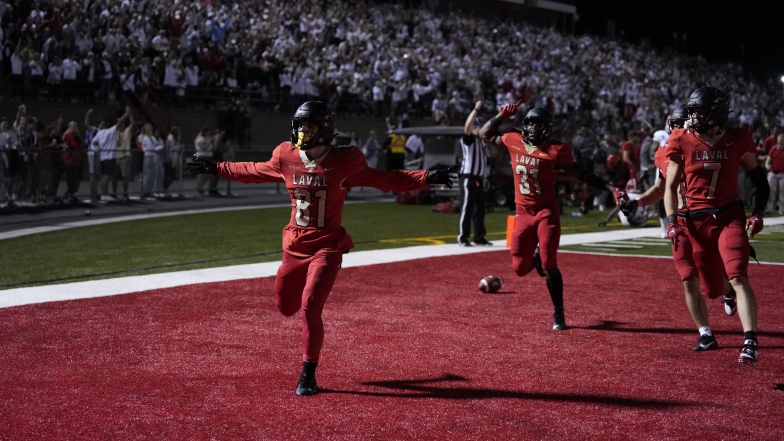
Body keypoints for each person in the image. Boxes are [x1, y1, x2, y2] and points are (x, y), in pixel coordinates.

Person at [187, 101, 456, 396]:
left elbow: (386, 179)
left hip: (327, 245)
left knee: (311, 305)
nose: (303, 131)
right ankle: (306, 362)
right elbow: (252, 170)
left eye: (310, 126)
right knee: (285, 306)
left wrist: (426, 177)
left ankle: (307, 374)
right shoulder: (285, 155)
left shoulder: (345, 160)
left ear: (325, 130)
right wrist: (216, 167)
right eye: (301, 125)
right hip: (294, 247)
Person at [480, 102, 626, 330]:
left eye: (540, 125)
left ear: (547, 129)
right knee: (519, 269)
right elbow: (484, 134)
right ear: (525, 125)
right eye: (531, 124)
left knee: (550, 263)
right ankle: (535, 258)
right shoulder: (512, 139)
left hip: (546, 211)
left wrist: (611, 189)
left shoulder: (557, 149)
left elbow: (581, 174)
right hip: (522, 212)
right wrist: (501, 115)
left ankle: (559, 313)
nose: (534, 129)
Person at [663, 86, 770, 365]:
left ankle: (750, 341)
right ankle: (727, 296)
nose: (694, 116)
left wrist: (757, 213)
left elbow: (760, 181)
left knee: (738, 275)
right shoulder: (681, 139)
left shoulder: (738, 139)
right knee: (711, 288)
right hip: (694, 222)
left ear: (717, 112)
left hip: (728, 215)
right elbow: (670, 187)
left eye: (699, 111)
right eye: (693, 111)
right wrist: (672, 222)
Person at [619, 108, 738, 352]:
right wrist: (637, 201)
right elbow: (660, 188)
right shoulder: (665, 151)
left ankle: (728, 290)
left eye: (680, 124)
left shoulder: (705, 147)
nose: (675, 130)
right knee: (687, 279)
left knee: (712, 286)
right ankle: (705, 334)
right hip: (680, 221)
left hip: (704, 220)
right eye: (673, 125)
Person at [457, 100, 490, 246]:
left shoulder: (481, 142)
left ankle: (479, 236)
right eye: (480, 128)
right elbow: (467, 126)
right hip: (468, 177)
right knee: (467, 207)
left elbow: (489, 155)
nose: (482, 130)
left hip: (479, 178)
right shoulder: (468, 139)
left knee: (480, 209)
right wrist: (476, 109)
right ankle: (463, 237)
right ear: (475, 128)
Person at [765, 133, 784, 215]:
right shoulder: (773, 149)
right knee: (769, 191)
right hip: (773, 172)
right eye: (779, 140)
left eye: (782, 140)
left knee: (782, 191)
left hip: (783, 173)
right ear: (777, 141)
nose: (780, 142)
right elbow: (767, 161)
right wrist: (767, 166)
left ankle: (782, 208)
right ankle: (770, 207)